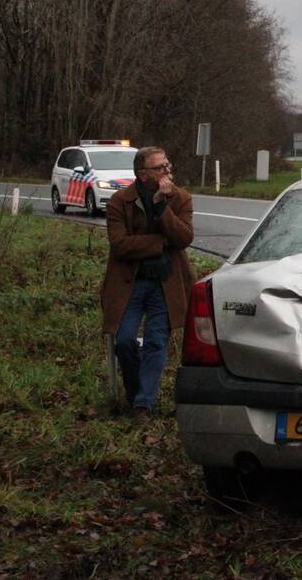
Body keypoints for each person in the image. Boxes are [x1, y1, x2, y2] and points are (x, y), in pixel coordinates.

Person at [101, 146, 194, 414]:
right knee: (125, 341)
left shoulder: (180, 199)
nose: (167, 171)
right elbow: (120, 245)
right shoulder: (120, 201)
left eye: (168, 165)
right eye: (159, 167)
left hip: (166, 284)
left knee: (156, 341)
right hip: (129, 283)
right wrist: (158, 242)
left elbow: (184, 238)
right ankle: (135, 392)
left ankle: (144, 404)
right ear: (142, 174)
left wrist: (161, 206)